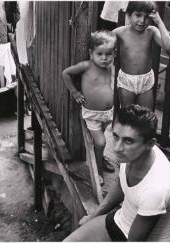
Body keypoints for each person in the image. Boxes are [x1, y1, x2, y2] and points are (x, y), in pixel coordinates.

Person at [63, 104, 170, 241]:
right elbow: (120, 184)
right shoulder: (132, 154)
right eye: (116, 136)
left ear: (150, 144)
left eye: (128, 141)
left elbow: (134, 240)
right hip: (121, 222)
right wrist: (94, 215)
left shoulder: (157, 189)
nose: (117, 148)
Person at [62, 30, 116, 185]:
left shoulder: (110, 68)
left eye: (109, 54)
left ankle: (101, 158)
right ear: (91, 53)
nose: (105, 58)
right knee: (100, 142)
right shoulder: (86, 66)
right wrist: (74, 92)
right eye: (100, 54)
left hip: (107, 113)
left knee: (101, 142)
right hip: (92, 114)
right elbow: (65, 73)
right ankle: (97, 170)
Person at [113, 1, 170, 110]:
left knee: (146, 115)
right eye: (138, 15)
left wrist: (159, 22)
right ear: (129, 14)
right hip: (127, 81)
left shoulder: (151, 31)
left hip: (146, 81)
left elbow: (168, 47)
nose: (142, 21)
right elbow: (102, 43)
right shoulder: (119, 32)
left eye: (147, 17)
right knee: (128, 115)